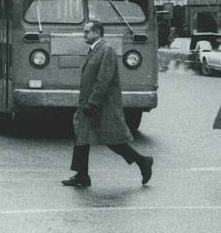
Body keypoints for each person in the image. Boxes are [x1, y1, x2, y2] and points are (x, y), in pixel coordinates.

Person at [63, 20, 154, 188]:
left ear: (97, 32)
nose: (84, 34)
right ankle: (82, 175)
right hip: (91, 103)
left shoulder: (106, 50)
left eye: (87, 32)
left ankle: (143, 162)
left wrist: (93, 102)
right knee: (81, 136)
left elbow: (104, 79)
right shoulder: (94, 50)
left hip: (102, 105)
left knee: (113, 141)